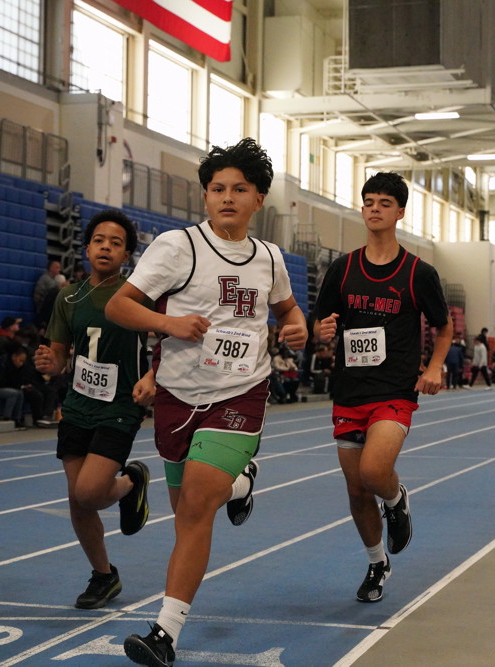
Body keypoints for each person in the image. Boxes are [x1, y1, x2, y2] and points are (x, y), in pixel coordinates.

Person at [107, 138, 307, 666]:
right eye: (218, 189)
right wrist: (168, 323)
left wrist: (297, 327)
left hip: (242, 391)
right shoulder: (177, 247)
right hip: (178, 395)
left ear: (258, 199)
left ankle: (164, 633)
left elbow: (289, 311)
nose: (227, 198)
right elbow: (120, 306)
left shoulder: (269, 257)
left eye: (239, 189)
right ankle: (240, 482)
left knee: (196, 506)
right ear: (205, 196)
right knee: (186, 512)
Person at [313, 172, 452, 606]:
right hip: (350, 390)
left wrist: (435, 366)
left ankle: (396, 498)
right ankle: (377, 563)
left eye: (384, 203)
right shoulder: (343, 269)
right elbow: (321, 323)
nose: (374, 208)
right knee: (356, 491)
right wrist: (321, 331)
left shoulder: (418, 273)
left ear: (400, 212)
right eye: (369, 201)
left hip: (394, 391)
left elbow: (444, 327)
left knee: (374, 473)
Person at [33, 209, 155, 610]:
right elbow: (59, 356)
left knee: (89, 492)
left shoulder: (139, 295)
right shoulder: (68, 297)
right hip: (78, 404)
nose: (106, 247)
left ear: (127, 255)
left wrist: (152, 376)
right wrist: (50, 363)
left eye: (116, 243)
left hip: (120, 406)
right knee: (77, 499)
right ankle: (104, 575)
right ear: (86, 249)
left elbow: (169, 342)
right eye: (99, 240)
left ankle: (131, 482)